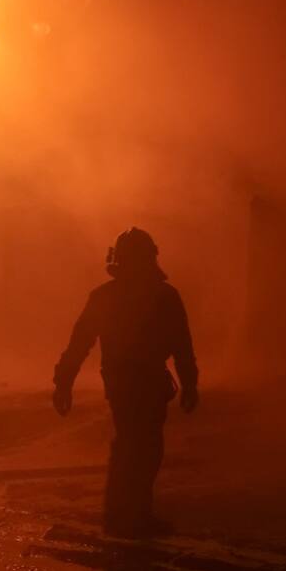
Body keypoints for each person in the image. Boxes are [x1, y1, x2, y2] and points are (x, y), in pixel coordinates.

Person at [53, 228, 199, 538]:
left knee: (130, 445)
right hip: (144, 381)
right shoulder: (164, 296)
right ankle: (133, 515)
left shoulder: (106, 296)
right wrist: (189, 383)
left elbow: (80, 342)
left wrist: (64, 382)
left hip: (121, 381)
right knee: (144, 447)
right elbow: (181, 344)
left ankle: (122, 513)